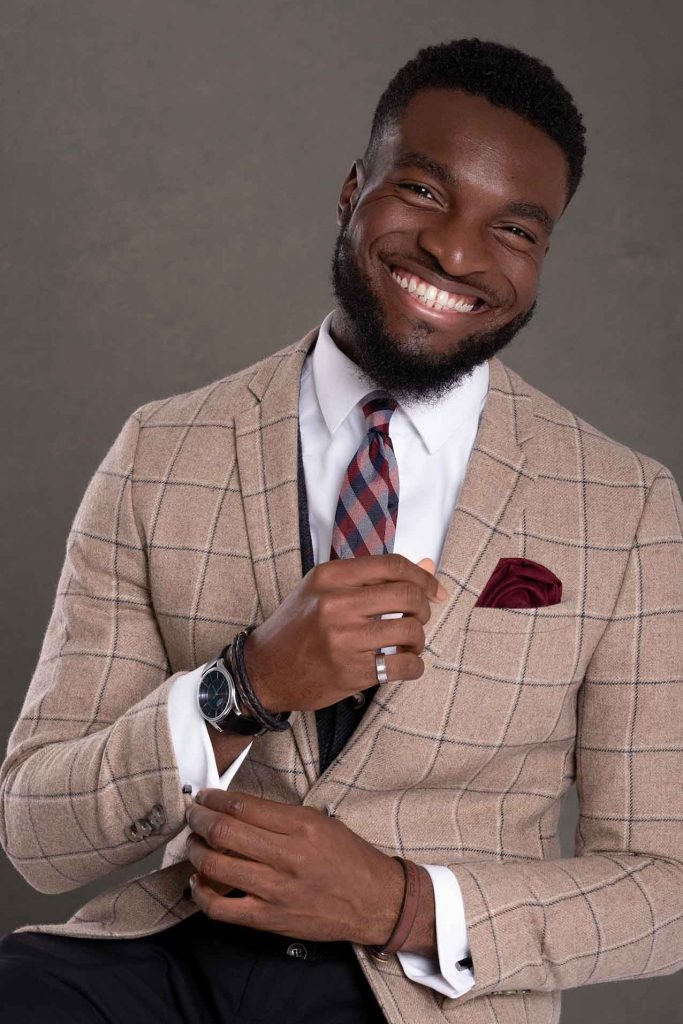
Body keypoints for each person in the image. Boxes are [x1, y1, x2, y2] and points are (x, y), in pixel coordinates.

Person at [0, 36, 681, 1024]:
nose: (454, 252)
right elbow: (37, 835)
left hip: (421, 999)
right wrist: (244, 688)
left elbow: (665, 887)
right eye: (422, 190)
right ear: (351, 189)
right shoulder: (164, 449)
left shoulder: (624, 505)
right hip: (164, 960)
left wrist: (402, 902)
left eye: (514, 230)